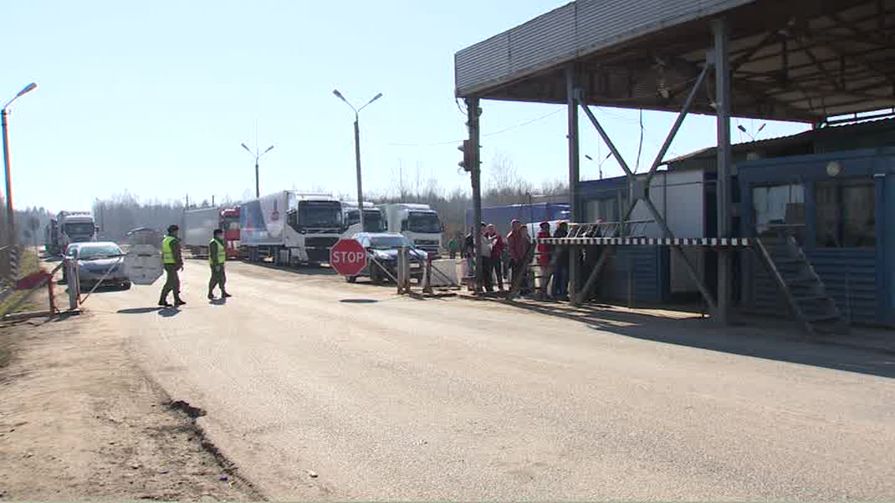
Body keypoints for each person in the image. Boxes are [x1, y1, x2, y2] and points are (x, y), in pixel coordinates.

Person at [159, 224, 186, 307]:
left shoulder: (165, 240)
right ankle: (162, 299)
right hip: (172, 264)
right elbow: (176, 254)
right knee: (170, 282)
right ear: (174, 231)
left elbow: (163, 253)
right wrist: (180, 263)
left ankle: (177, 299)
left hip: (167, 263)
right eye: (177, 231)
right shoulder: (173, 241)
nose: (177, 233)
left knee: (176, 282)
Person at [507, 219, 531, 292]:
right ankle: (515, 289)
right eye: (516, 225)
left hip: (523, 257)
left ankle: (524, 289)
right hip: (516, 258)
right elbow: (511, 248)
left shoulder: (522, 234)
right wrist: (515, 258)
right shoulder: (511, 236)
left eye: (519, 225)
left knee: (524, 274)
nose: (518, 227)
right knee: (516, 275)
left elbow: (528, 243)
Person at [208, 228, 232, 301]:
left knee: (222, 278)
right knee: (215, 279)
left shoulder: (220, 241)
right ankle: (210, 293)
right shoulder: (213, 242)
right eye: (221, 234)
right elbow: (213, 255)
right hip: (216, 264)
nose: (222, 235)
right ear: (217, 234)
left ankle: (223, 292)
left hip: (221, 263)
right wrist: (216, 265)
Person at [552, 221, 570, 300]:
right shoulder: (564, 234)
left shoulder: (556, 234)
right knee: (563, 277)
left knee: (557, 276)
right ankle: (562, 293)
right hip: (563, 258)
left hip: (558, 258)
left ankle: (555, 292)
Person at [487, 224, 505, 292]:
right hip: (488, 256)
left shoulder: (497, 237)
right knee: (489, 272)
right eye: (489, 229)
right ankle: (490, 286)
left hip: (496, 256)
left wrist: (499, 251)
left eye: (492, 228)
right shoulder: (486, 236)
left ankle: (500, 286)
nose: (491, 230)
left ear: (494, 229)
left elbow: (501, 245)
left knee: (498, 272)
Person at [479, 223, 493, 291]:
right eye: (482, 228)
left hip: (487, 256)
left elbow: (488, 244)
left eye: (484, 228)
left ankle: (489, 287)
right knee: (483, 273)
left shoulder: (484, 237)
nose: (483, 230)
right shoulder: (477, 237)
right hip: (482, 257)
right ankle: (483, 287)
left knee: (487, 273)